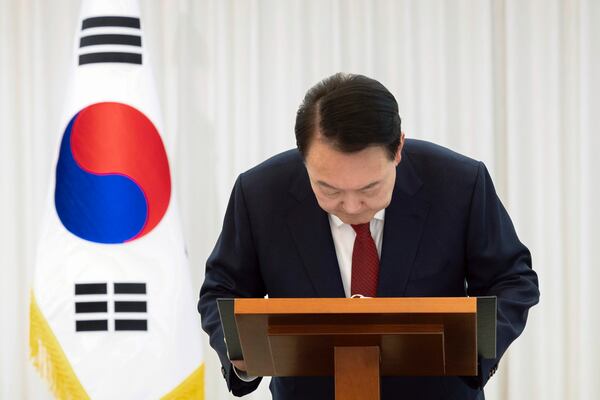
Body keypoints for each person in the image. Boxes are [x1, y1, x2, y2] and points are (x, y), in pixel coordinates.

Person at [199, 73, 540, 400]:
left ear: (399, 149)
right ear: (303, 158)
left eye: (370, 188)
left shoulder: (459, 184)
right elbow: (223, 289)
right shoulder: (260, 193)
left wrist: (473, 351)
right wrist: (241, 354)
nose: (350, 205)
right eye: (328, 188)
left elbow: (511, 280)